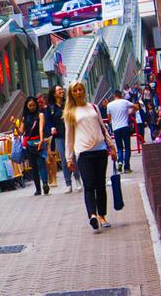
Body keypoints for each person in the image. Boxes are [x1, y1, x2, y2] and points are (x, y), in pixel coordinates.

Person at [64, 81, 117, 231]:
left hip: (100, 150)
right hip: (84, 152)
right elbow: (69, 137)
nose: (79, 92)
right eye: (75, 91)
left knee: (101, 185)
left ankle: (102, 215)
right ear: (72, 94)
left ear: (84, 91)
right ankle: (92, 215)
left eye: (81, 89)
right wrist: (69, 158)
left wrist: (111, 146)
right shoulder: (70, 112)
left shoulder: (93, 107)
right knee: (89, 185)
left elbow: (103, 127)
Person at [46, 85, 82, 194]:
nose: (61, 91)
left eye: (62, 89)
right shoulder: (51, 108)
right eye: (58, 90)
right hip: (60, 137)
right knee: (65, 159)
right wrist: (52, 128)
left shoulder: (68, 103)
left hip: (72, 134)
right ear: (54, 93)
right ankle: (68, 183)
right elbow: (49, 121)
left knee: (74, 157)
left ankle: (77, 180)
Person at [13, 97, 49, 195]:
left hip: (39, 142)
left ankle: (45, 184)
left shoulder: (40, 115)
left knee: (41, 164)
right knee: (34, 167)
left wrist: (41, 141)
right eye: (30, 106)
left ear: (36, 105)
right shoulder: (25, 117)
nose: (32, 107)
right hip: (29, 145)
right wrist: (15, 125)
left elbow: (41, 128)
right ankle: (38, 189)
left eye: (33, 105)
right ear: (26, 106)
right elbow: (20, 132)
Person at [107, 90, 138, 173]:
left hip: (116, 128)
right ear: (121, 95)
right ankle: (127, 167)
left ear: (114, 96)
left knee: (119, 147)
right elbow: (136, 107)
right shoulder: (125, 102)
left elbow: (109, 118)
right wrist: (129, 113)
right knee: (127, 147)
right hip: (125, 126)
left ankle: (120, 163)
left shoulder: (109, 105)